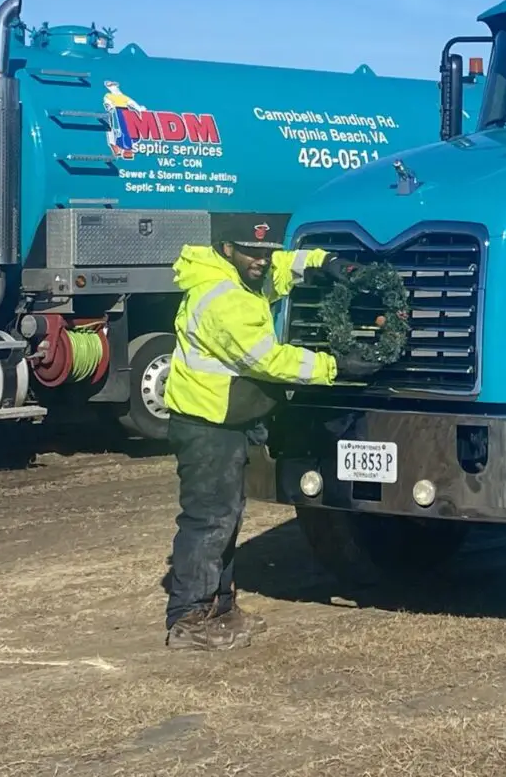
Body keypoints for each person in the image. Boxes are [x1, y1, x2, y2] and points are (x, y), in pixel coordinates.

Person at [161, 212, 377, 651]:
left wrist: (326, 262)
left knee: (227, 515)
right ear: (227, 250)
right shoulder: (223, 300)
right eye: (252, 252)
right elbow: (270, 361)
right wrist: (336, 367)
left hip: (226, 419)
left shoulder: (243, 274)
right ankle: (190, 618)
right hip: (207, 425)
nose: (262, 261)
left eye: (266, 251)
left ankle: (221, 608)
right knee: (209, 519)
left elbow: (285, 267)